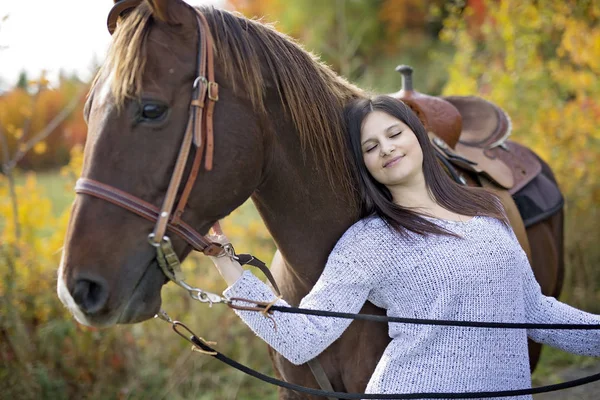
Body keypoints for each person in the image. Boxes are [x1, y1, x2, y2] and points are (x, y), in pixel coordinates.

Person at [207, 95, 600, 398]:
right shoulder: (369, 241)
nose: (387, 149)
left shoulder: (486, 209)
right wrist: (227, 263)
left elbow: (535, 311)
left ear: (417, 135)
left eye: (394, 134)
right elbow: (303, 337)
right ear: (365, 165)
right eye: (371, 146)